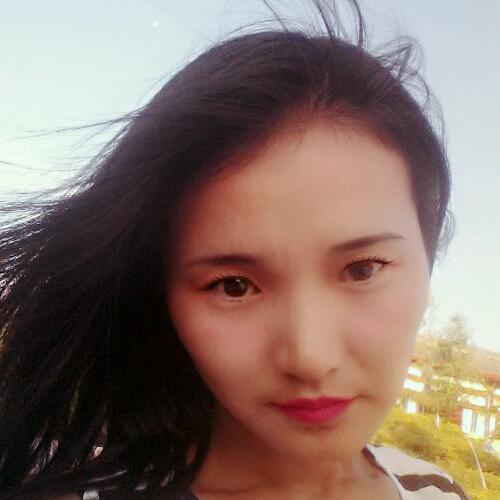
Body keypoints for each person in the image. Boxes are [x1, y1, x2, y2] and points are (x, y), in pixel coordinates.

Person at [0, 1, 469, 499]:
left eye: (362, 270)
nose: (309, 357)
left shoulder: (436, 490)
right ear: (162, 297)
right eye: (234, 286)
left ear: (427, 255)